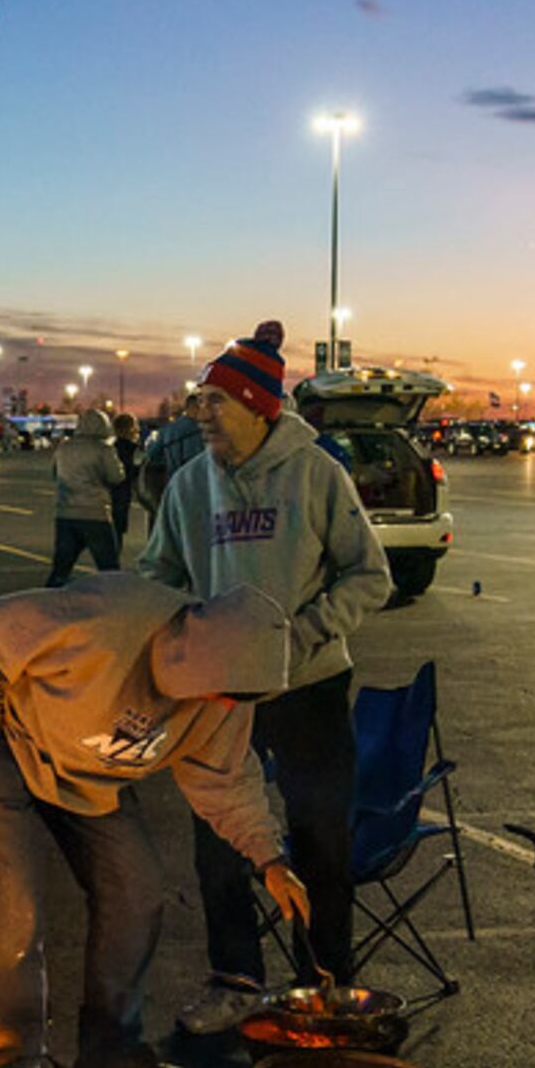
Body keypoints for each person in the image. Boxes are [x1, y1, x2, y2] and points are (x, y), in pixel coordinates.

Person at [0, 572, 310, 1068]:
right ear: (196, 655)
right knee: (17, 903)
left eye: (233, 696)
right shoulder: (105, 620)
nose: (219, 703)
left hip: (86, 774)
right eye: (217, 689)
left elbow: (226, 783)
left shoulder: (228, 697)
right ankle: (18, 1065)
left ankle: (110, 1048)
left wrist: (270, 859)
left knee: (137, 888)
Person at [139, 323, 392, 1028]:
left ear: (258, 405)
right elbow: (157, 575)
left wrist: (302, 634)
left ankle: (327, 984)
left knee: (320, 840)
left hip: (309, 688)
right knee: (219, 842)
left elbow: (370, 574)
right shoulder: (190, 487)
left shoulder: (315, 474)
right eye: (199, 403)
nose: (201, 417)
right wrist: (169, 631)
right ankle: (237, 981)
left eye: (215, 403)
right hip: (221, 697)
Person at [45, 405, 124, 586]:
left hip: (65, 512)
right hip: (95, 512)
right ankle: (115, 604)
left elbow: (54, 474)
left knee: (61, 567)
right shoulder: (103, 449)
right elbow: (116, 476)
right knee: (108, 567)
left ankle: (48, 603)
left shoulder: (64, 447)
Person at [135, 386, 215, 521]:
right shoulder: (201, 430)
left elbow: (152, 453)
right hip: (197, 486)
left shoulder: (168, 429)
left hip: (172, 483)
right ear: (193, 407)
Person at [108, 412, 141, 538]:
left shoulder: (111, 448)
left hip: (110, 491)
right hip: (122, 491)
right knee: (118, 528)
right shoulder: (133, 449)